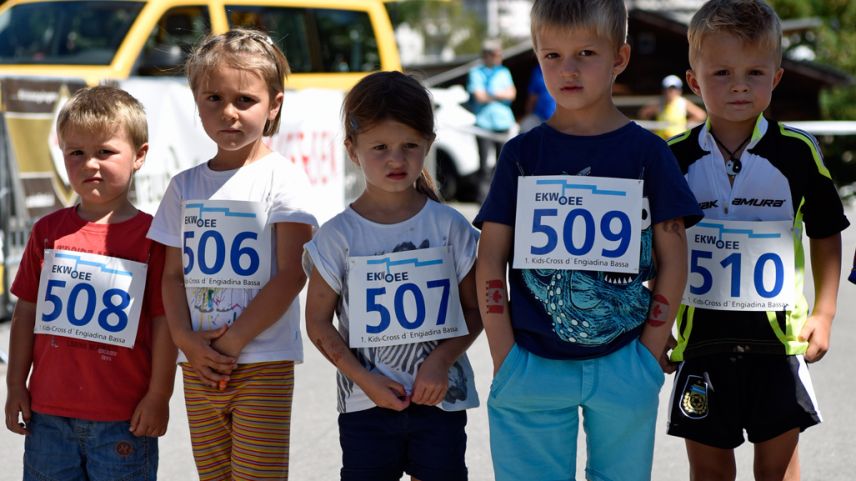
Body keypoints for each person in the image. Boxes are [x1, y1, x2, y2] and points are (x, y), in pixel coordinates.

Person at [474, 1, 703, 480]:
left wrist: (650, 348)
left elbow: (674, 256)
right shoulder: (521, 154)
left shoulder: (650, 153)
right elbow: (491, 257)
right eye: (552, 56)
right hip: (529, 364)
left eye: (585, 53)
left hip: (625, 361)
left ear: (619, 57)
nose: (568, 69)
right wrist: (503, 353)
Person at [666, 1, 849, 480]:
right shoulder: (674, 157)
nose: (739, 85)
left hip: (778, 345)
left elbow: (826, 231)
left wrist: (825, 312)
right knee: (708, 470)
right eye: (722, 72)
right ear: (694, 81)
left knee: (778, 469)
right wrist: (657, 319)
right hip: (702, 343)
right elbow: (657, 245)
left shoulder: (798, 152)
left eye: (754, 72)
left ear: (776, 78)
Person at [146, 29, 318, 480]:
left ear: (274, 105)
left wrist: (233, 341)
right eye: (214, 99)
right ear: (196, 102)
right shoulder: (183, 186)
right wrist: (186, 340)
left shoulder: (283, 179)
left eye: (245, 100)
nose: (229, 112)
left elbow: (291, 274)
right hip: (199, 363)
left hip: (261, 361)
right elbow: (172, 276)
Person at [303, 71, 483, 481]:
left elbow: (475, 310)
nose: (396, 159)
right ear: (352, 149)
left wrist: (441, 361)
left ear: (429, 143)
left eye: (409, 146)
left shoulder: (450, 227)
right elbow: (317, 323)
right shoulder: (337, 236)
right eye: (380, 147)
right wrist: (364, 379)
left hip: (441, 400)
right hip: (365, 405)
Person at [3, 85, 176, 480]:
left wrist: (159, 395)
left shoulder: (154, 238)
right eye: (76, 152)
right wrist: (15, 385)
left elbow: (164, 323)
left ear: (139, 156)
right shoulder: (47, 231)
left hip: (123, 418)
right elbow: (26, 311)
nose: (90, 164)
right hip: (48, 417)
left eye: (105, 152)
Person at [467, 38, 517, 200]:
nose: (500, 57)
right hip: (484, 124)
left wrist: (490, 94)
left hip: (503, 124)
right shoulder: (476, 72)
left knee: (503, 165)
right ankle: (483, 200)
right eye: (496, 54)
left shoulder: (504, 71)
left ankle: (501, 198)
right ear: (487, 55)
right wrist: (501, 95)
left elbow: (512, 94)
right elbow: (479, 97)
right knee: (484, 166)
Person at [638, 74, 707, 139]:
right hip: (662, 140)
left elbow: (701, 115)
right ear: (664, 90)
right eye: (669, 89)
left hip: (678, 140)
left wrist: (685, 125)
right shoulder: (658, 103)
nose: (671, 91)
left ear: (679, 90)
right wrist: (653, 127)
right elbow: (643, 114)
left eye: (674, 88)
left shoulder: (683, 102)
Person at [520, 64, 556, 132]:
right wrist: (528, 114)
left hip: (562, 120)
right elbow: (533, 96)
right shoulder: (537, 70)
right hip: (540, 118)